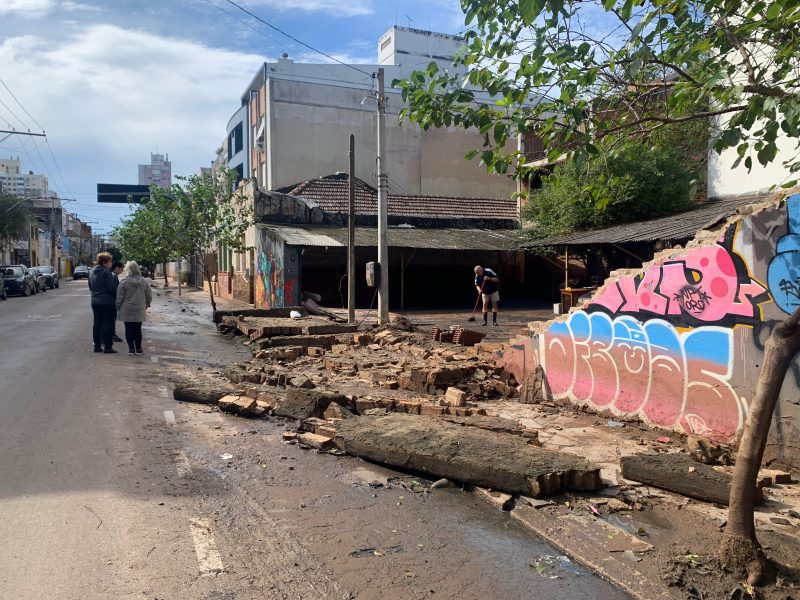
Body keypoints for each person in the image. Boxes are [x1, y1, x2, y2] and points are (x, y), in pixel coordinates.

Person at [116, 260, 152, 356]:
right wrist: (146, 305)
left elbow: (119, 297)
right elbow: (149, 296)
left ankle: (131, 349)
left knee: (128, 329)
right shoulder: (144, 281)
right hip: (139, 308)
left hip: (127, 309)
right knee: (137, 329)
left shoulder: (123, 282)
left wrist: (117, 307)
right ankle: (139, 349)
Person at [88, 252, 119, 353]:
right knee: (107, 324)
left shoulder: (92, 271)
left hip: (95, 301)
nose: (111, 264)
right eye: (110, 261)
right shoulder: (106, 272)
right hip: (107, 302)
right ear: (105, 262)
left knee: (97, 324)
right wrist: (116, 298)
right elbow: (111, 288)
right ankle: (108, 347)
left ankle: (97, 346)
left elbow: (90, 286)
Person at [111, 261, 125, 343]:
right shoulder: (112, 275)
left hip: (112, 300)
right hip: (111, 301)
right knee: (110, 319)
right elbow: (114, 289)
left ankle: (112, 334)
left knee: (112, 319)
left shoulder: (114, 275)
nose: (122, 271)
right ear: (117, 268)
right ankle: (111, 335)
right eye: (121, 269)